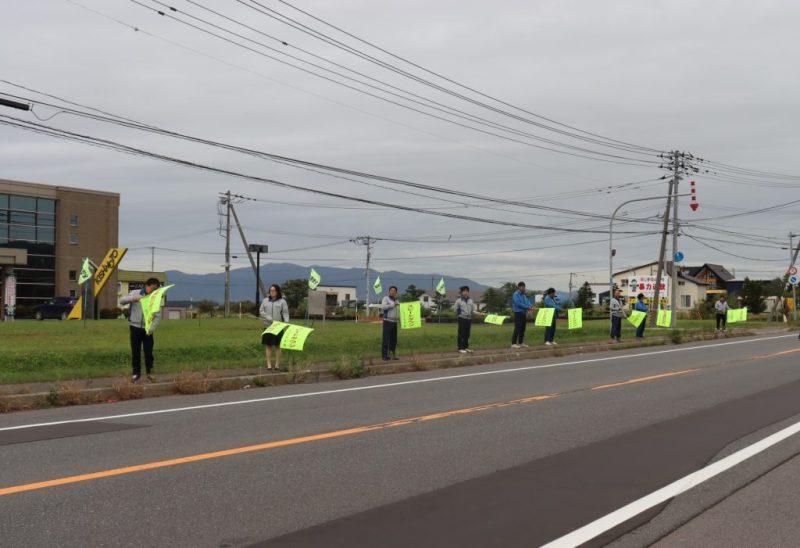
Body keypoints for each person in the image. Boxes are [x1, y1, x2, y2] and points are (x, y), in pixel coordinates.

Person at [120, 277, 162, 382]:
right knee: (136, 351)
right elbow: (122, 301)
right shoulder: (135, 292)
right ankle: (136, 374)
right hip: (135, 327)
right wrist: (132, 299)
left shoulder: (155, 299)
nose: (154, 291)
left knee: (148, 352)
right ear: (147, 285)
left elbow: (157, 316)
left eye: (156, 289)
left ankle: (149, 373)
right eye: (153, 288)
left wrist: (151, 329)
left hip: (148, 329)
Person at [260, 284, 290, 370]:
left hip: (278, 326)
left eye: (274, 290)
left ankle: (277, 364)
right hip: (268, 326)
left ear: (277, 291)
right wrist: (267, 317)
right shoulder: (265, 301)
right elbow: (261, 311)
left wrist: (286, 321)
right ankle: (269, 364)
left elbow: (285, 313)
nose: (272, 292)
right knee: (268, 345)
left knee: (278, 345)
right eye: (270, 290)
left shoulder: (282, 301)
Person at [455, 285, 478, 353]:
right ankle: (460, 348)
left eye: (467, 291)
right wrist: (460, 313)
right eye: (464, 291)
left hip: (469, 319)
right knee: (461, 333)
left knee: (467, 334)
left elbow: (473, 310)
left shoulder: (471, 300)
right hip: (462, 318)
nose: (466, 292)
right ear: (461, 292)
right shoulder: (458, 301)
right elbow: (455, 310)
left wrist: (479, 313)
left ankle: (466, 347)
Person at [511, 282, 534, 348]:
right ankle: (513, 343)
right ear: (519, 287)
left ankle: (521, 342)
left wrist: (531, 306)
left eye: (524, 287)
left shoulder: (523, 295)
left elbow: (527, 302)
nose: (524, 289)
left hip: (523, 313)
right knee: (517, 328)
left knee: (523, 328)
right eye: (523, 287)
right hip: (518, 313)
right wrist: (527, 307)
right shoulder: (515, 294)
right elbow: (518, 303)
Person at [381, 285, 400, 360]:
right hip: (387, 321)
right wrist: (393, 304)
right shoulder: (385, 298)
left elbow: (398, 311)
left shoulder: (397, 300)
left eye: (394, 291)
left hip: (395, 322)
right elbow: (383, 307)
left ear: (396, 293)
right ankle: (384, 356)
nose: (393, 292)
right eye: (391, 291)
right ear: (389, 291)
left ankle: (392, 355)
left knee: (393, 340)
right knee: (386, 339)